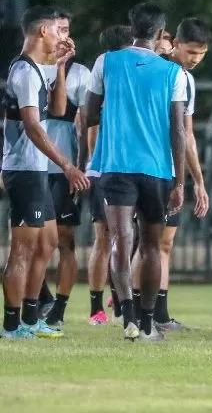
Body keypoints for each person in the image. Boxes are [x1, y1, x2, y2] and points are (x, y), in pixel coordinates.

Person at [86, 3, 187, 342]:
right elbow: (178, 131)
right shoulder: (175, 73)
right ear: (161, 34)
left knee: (119, 240)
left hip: (115, 165)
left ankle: (127, 316)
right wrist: (181, 182)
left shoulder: (106, 62)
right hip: (157, 169)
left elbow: (88, 114)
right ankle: (147, 324)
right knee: (151, 245)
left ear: (131, 28)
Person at [2, 6, 90, 339]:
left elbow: (56, 110)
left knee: (48, 243)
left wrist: (61, 66)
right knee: (22, 248)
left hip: (38, 168)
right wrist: (67, 166)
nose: (62, 37)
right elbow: (35, 128)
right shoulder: (24, 72)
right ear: (43, 32)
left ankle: (29, 316)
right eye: (59, 30)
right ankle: (12, 325)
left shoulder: (42, 69)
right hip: (25, 169)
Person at [130, 17, 212, 331]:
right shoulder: (159, 71)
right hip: (148, 168)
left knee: (163, 243)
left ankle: (158, 313)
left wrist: (197, 181)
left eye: (201, 54)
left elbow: (187, 135)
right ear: (174, 44)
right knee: (145, 242)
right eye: (191, 52)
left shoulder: (185, 79)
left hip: (168, 170)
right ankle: (137, 310)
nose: (195, 59)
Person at [37, 10, 92, 328]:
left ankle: (59, 306)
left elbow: (85, 125)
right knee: (30, 239)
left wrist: (81, 166)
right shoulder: (30, 68)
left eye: (67, 29)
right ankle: (39, 299)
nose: (63, 35)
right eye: (58, 29)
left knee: (65, 239)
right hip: (33, 167)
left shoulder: (81, 74)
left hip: (64, 168)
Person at [86, 25, 134, 325]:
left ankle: (118, 300)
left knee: (125, 238)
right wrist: (94, 166)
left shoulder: (125, 81)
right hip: (106, 168)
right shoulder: (107, 78)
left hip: (126, 167)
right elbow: (90, 126)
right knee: (105, 238)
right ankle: (96, 308)